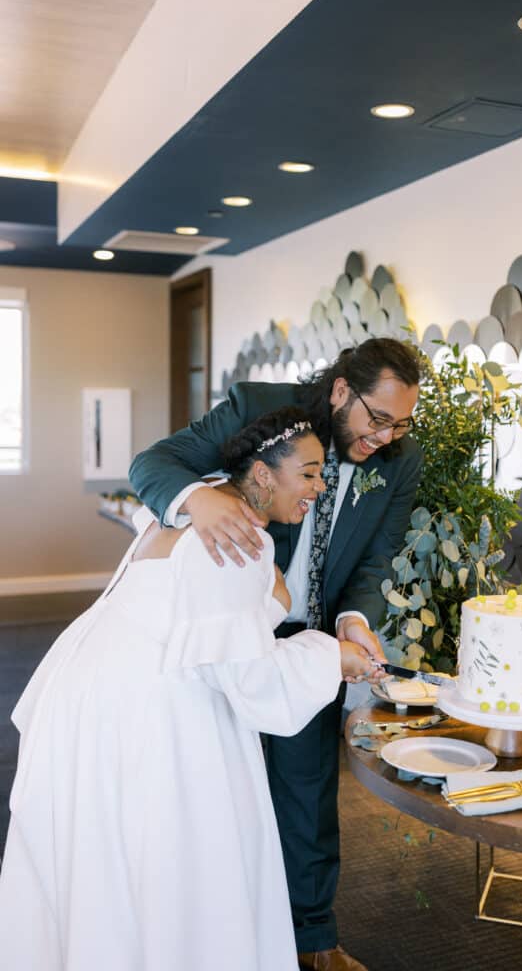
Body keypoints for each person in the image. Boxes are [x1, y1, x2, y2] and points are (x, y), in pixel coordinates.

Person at [0, 409, 374, 971]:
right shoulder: (236, 536)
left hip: (89, 696)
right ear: (266, 475)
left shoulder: (188, 509)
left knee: (102, 861)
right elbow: (252, 681)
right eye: (310, 473)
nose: (320, 488)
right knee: (174, 863)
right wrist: (332, 656)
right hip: (150, 715)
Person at [129, 337, 423, 971]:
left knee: (308, 793)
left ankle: (313, 944)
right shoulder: (261, 409)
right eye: (378, 419)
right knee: (215, 787)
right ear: (343, 389)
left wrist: (353, 620)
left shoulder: (398, 459)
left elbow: (375, 559)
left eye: (402, 424)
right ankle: (217, 940)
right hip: (228, 628)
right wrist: (199, 500)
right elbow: (153, 464)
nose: (386, 437)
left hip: (311, 641)